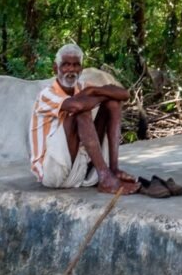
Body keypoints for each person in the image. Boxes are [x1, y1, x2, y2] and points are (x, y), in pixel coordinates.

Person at [29, 43, 139, 194]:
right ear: (56, 68)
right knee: (81, 111)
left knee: (112, 103)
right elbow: (77, 107)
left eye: (75, 65)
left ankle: (113, 170)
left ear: (81, 69)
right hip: (53, 173)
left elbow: (124, 95)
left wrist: (94, 90)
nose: (71, 70)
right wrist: (99, 96)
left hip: (79, 169)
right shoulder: (46, 94)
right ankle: (105, 177)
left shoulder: (84, 87)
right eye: (66, 65)